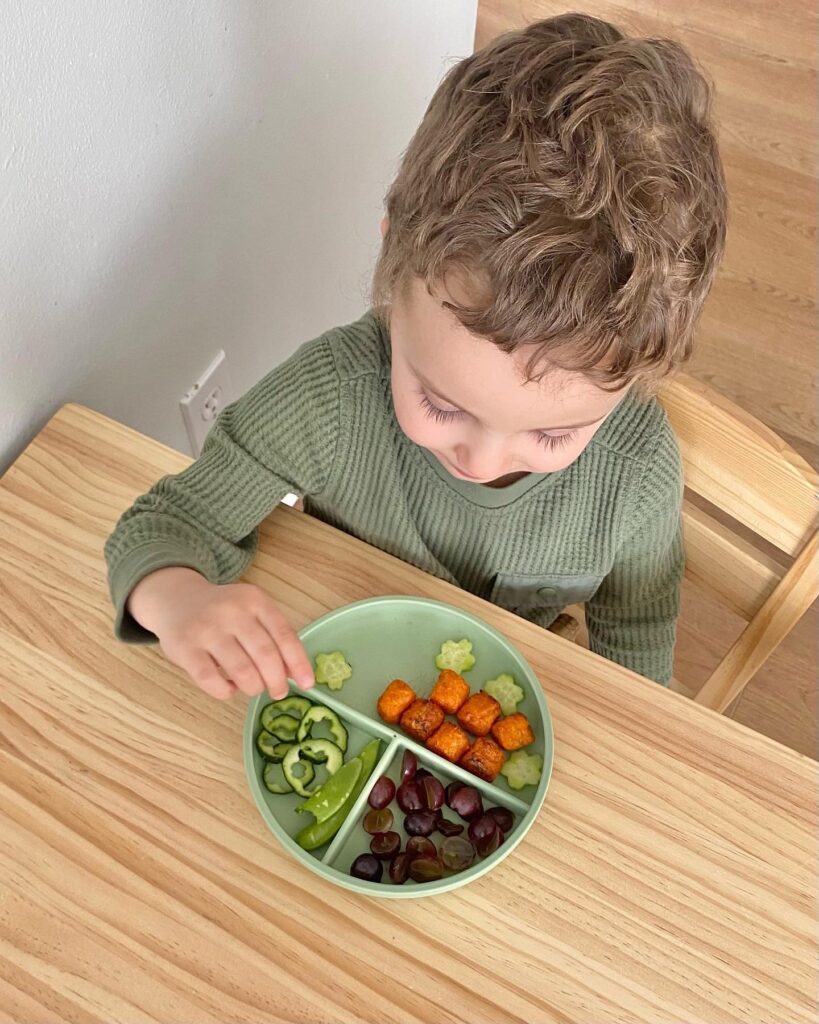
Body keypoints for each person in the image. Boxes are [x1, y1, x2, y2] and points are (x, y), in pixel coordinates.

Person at [104, 13, 727, 701]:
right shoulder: (325, 400)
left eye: (552, 434)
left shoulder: (635, 478)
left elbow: (636, 650)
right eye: (440, 402)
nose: (482, 463)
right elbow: (168, 524)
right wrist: (178, 600)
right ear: (393, 272)